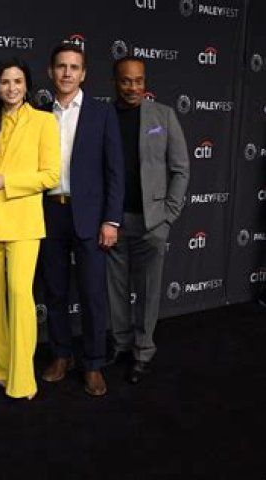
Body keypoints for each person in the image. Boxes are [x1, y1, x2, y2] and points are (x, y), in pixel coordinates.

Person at [0, 57, 60, 399]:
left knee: (20, 297)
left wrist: (7, 181)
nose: (12, 88)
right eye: (5, 81)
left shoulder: (43, 121)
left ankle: (22, 377)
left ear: (27, 86)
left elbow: (50, 176)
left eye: (18, 81)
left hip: (22, 221)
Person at [38, 43, 124, 397]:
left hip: (90, 216)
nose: (67, 73)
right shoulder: (39, 113)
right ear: (51, 71)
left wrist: (111, 220)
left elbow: (115, 170)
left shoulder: (101, 113)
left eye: (74, 67)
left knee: (92, 294)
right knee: (55, 291)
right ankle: (61, 355)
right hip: (49, 213)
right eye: (61, 66)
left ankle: (93, 363)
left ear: (84, 73)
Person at [107, 56, 189, 384]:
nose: (133, 87)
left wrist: (168, 215)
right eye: (126, 81)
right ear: (115, 82)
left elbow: (181, 169)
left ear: (145, 82)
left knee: (149, 290)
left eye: (138, 80)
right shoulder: (103, 117)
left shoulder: (164, 116)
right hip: (113, 222)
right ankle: (121, 344)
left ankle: (143, 351)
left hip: (152, 222)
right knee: (115, 290)